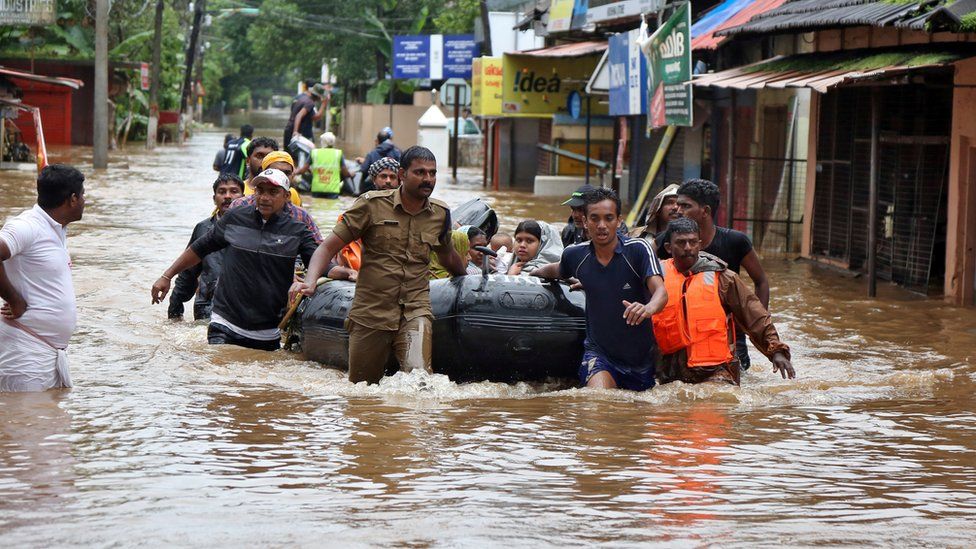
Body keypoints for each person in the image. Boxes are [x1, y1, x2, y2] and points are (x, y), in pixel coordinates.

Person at [291, 146, 467, 384]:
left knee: (420, 381)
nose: (428, 179)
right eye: (421, 172)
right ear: (402, 174)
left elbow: (447, 256)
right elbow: (327, 247)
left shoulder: (440, 213)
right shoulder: (371, 205)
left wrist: (469, 280)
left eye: (432, 173)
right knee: (363, 390)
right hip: (370, 313)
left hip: (415, 310)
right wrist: (310, 282)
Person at [152, 169, 322, 351]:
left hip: (268, 332)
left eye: (273, 192)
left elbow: (320, 260)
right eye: (260, 191)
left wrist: (347, 272)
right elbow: (199, 248)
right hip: (224, 324)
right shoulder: (235, 218)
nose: (265, 197)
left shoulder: (297, 230)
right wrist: (167, 276)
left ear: (287, 196)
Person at [532, 188, 667, 391]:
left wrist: (648, 308)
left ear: (619, 221)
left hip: (640, 360)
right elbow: (556, 270)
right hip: (600, 355)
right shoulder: (575, 255)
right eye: (595, 218)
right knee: (598, 404)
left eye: (609, 218)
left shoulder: (638, 250)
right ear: (585, 221)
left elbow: (661, 292)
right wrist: (530, 273)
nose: (602, 226)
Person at [653, 218, 794, 385]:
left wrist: (776, 350)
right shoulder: (655, 277)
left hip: (716, 370)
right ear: (669, 247)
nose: (688, 248)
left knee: (717, 401)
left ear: (699, 244)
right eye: (681, 243)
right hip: (669, 371)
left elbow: (754, 314)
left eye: (692, 242)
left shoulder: (723, 278)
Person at [653, 179, 770, 371]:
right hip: (682, 337)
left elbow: (762, 282)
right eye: (676, 204)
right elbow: (642, 269)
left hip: (729, 335)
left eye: (685, 206)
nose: (677, 210)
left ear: (705, 211)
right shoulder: (668, 242)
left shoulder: (735, 241)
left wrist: (752, 325)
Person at [0, 164, 86, 392]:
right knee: (25, 423)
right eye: (83, 194)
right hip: (25, 351)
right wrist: (14, 298)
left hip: (48, 351)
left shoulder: (56, 229)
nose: (85, 200)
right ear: (73, 199)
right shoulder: (28, 226)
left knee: (49, 424)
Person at [167, 173, 245, 321]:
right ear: (214, 198)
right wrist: (175, 309)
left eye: (234, 191)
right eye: (222, 192)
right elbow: (188, 271)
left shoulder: (254, 228)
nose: (227, 196)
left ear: (244, 197)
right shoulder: (203, 228)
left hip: (241, 305)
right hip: (206, 305)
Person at [302, 132, 350, 199]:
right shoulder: (338, 153)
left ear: (323, 142)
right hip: (332, 190)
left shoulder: (314, 152)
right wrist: (351, 174)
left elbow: (303, 169)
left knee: (316, 206)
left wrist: (294, 172)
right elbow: (345, 172)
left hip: (317, 189)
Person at [283, 82, 326, 149]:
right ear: (318, 97)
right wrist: (295, 132)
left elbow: (314, 117)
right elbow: (299, 115)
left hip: (289, 130)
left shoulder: (301, 98)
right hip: (298, 133)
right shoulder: (310, 102)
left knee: (288, 157)